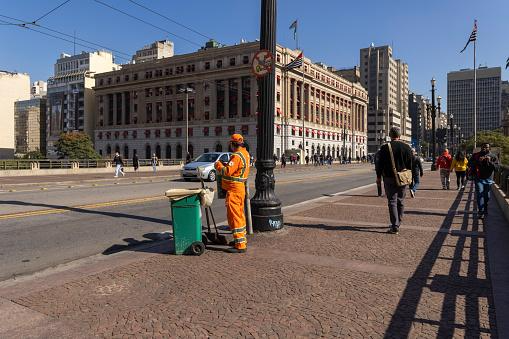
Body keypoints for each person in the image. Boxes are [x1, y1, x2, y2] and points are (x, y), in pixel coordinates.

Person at [214, 134, 250, 253]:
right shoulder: (245, 154)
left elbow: (227, 171)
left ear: (233, 144)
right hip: (239, 189)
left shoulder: (237, 156)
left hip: (234, 190)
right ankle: (241, 240)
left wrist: (218, 165)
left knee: (234, 217)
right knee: (239, 215)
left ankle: (240, 245)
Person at [375, 127, 413, 234]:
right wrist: (411, 179)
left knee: (392, 201)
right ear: (400, 135)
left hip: (389, 177)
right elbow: (411, 164)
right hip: (403, 177)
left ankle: (394, 225)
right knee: (400, 200)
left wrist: (378, 176)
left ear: (390, 135)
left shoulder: (385, 147)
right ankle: (398, 222)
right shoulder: (407, 147)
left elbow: (379, 164)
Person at [468, 143, 499, 219]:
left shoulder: (493, 156)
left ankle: (485, 208)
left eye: (486, 147)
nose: (484, 148)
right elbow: (469, 163)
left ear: (489, 148)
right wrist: (478, 161)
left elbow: (497, 168)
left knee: (487, 196)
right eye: (483, 147)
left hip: (488, 179)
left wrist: (490, 162)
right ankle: (480, 211)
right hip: (478, 177)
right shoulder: (476, 155)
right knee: (480, 193)